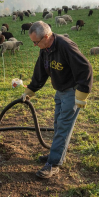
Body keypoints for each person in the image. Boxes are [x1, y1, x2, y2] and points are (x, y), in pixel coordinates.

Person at [22, 21, 93, 179]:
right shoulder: (45, 49)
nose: (34, 45)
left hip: (72, 92)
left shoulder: (66, 46)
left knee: (63, 127)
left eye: (36, 42)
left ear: (47, 37)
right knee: (57, 124)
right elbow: (41, 71)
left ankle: (53, 164)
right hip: (60, 91)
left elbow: (85, 67)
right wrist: (31, 89)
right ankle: (57, 155)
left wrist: (82, 94)